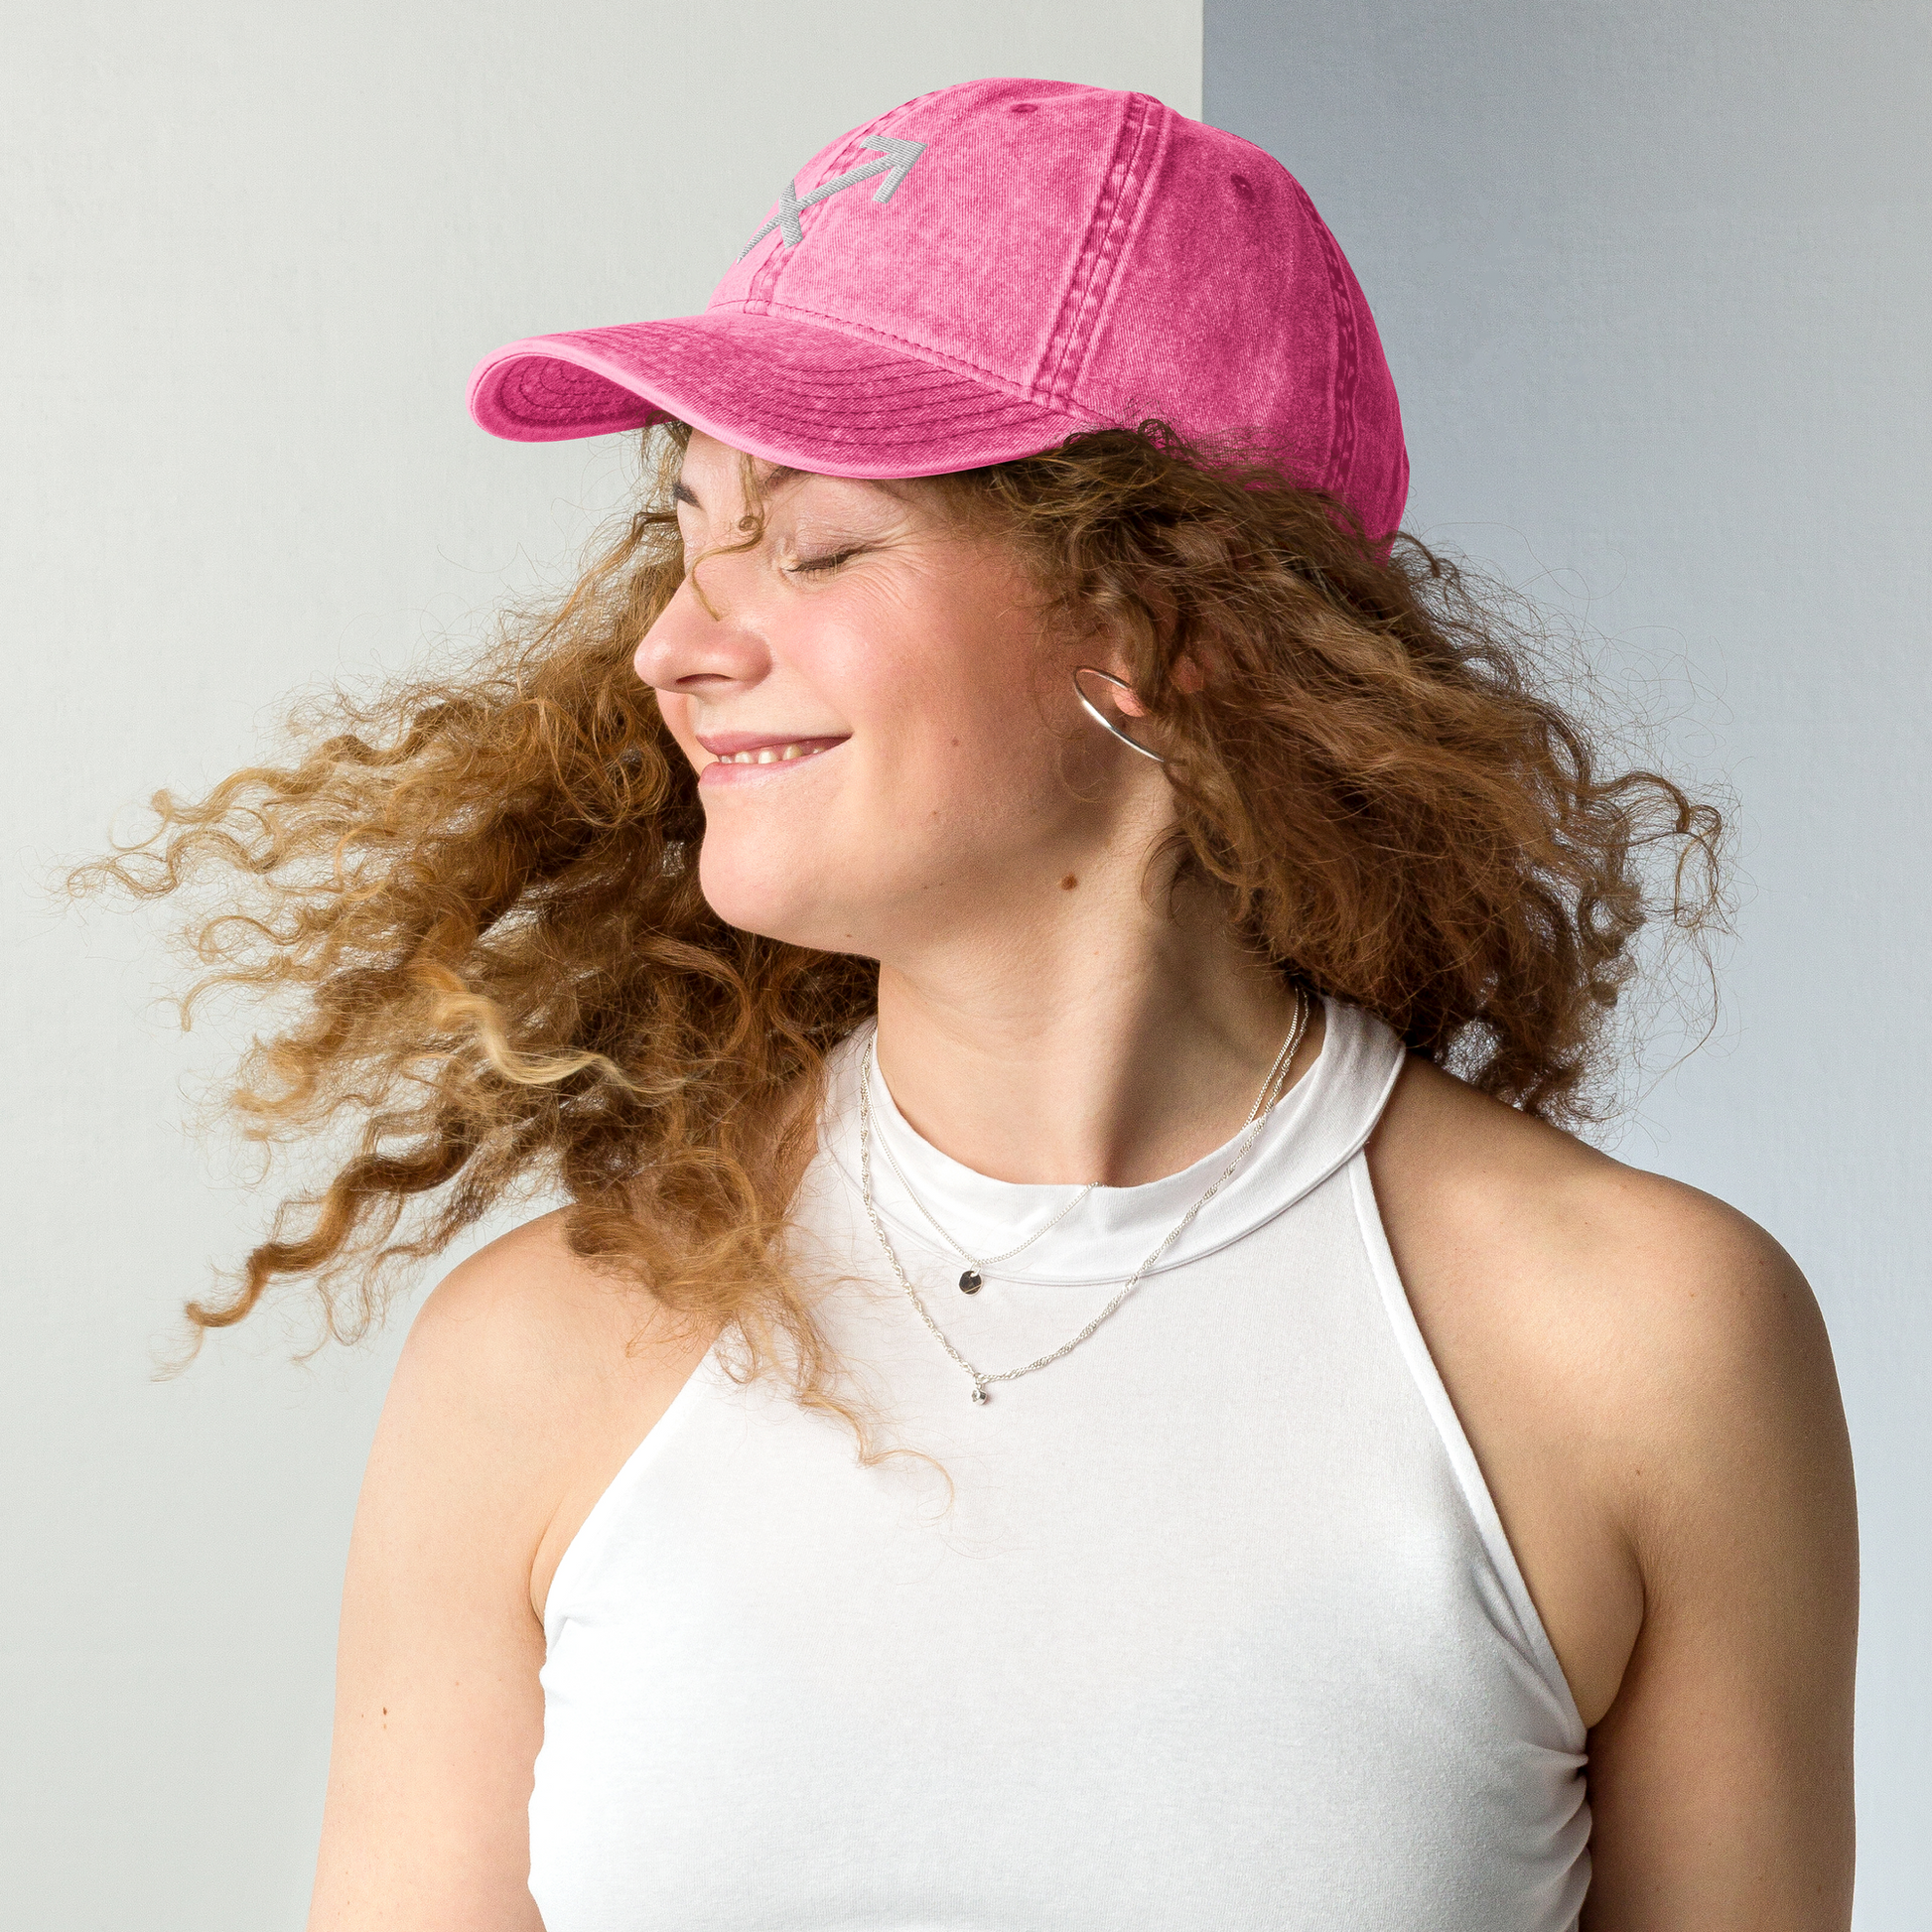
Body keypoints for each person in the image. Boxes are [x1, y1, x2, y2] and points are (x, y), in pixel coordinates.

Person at [101, 78, 1855, 1931]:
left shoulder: (1635, 1346)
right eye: (692, 529)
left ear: (1165, 626)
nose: (676, 642)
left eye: (822, 543)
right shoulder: (543, 1360)